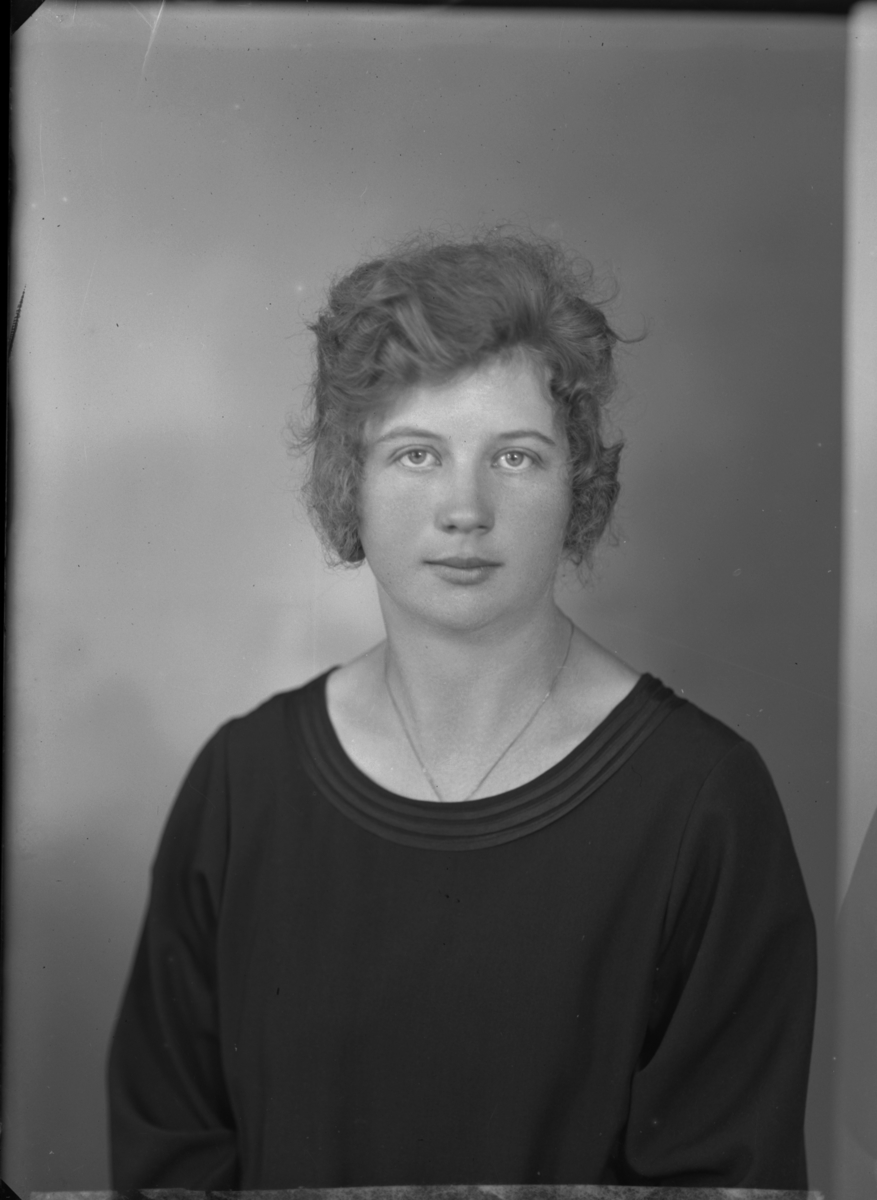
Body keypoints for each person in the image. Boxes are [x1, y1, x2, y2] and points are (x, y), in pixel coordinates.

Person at [108, 232, 817, 1190]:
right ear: (348, 481)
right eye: (415, 454)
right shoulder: (241, 784)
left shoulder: (704, 802)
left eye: (515, 457)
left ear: (578, 486)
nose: (464, 509)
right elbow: (170, 1160)